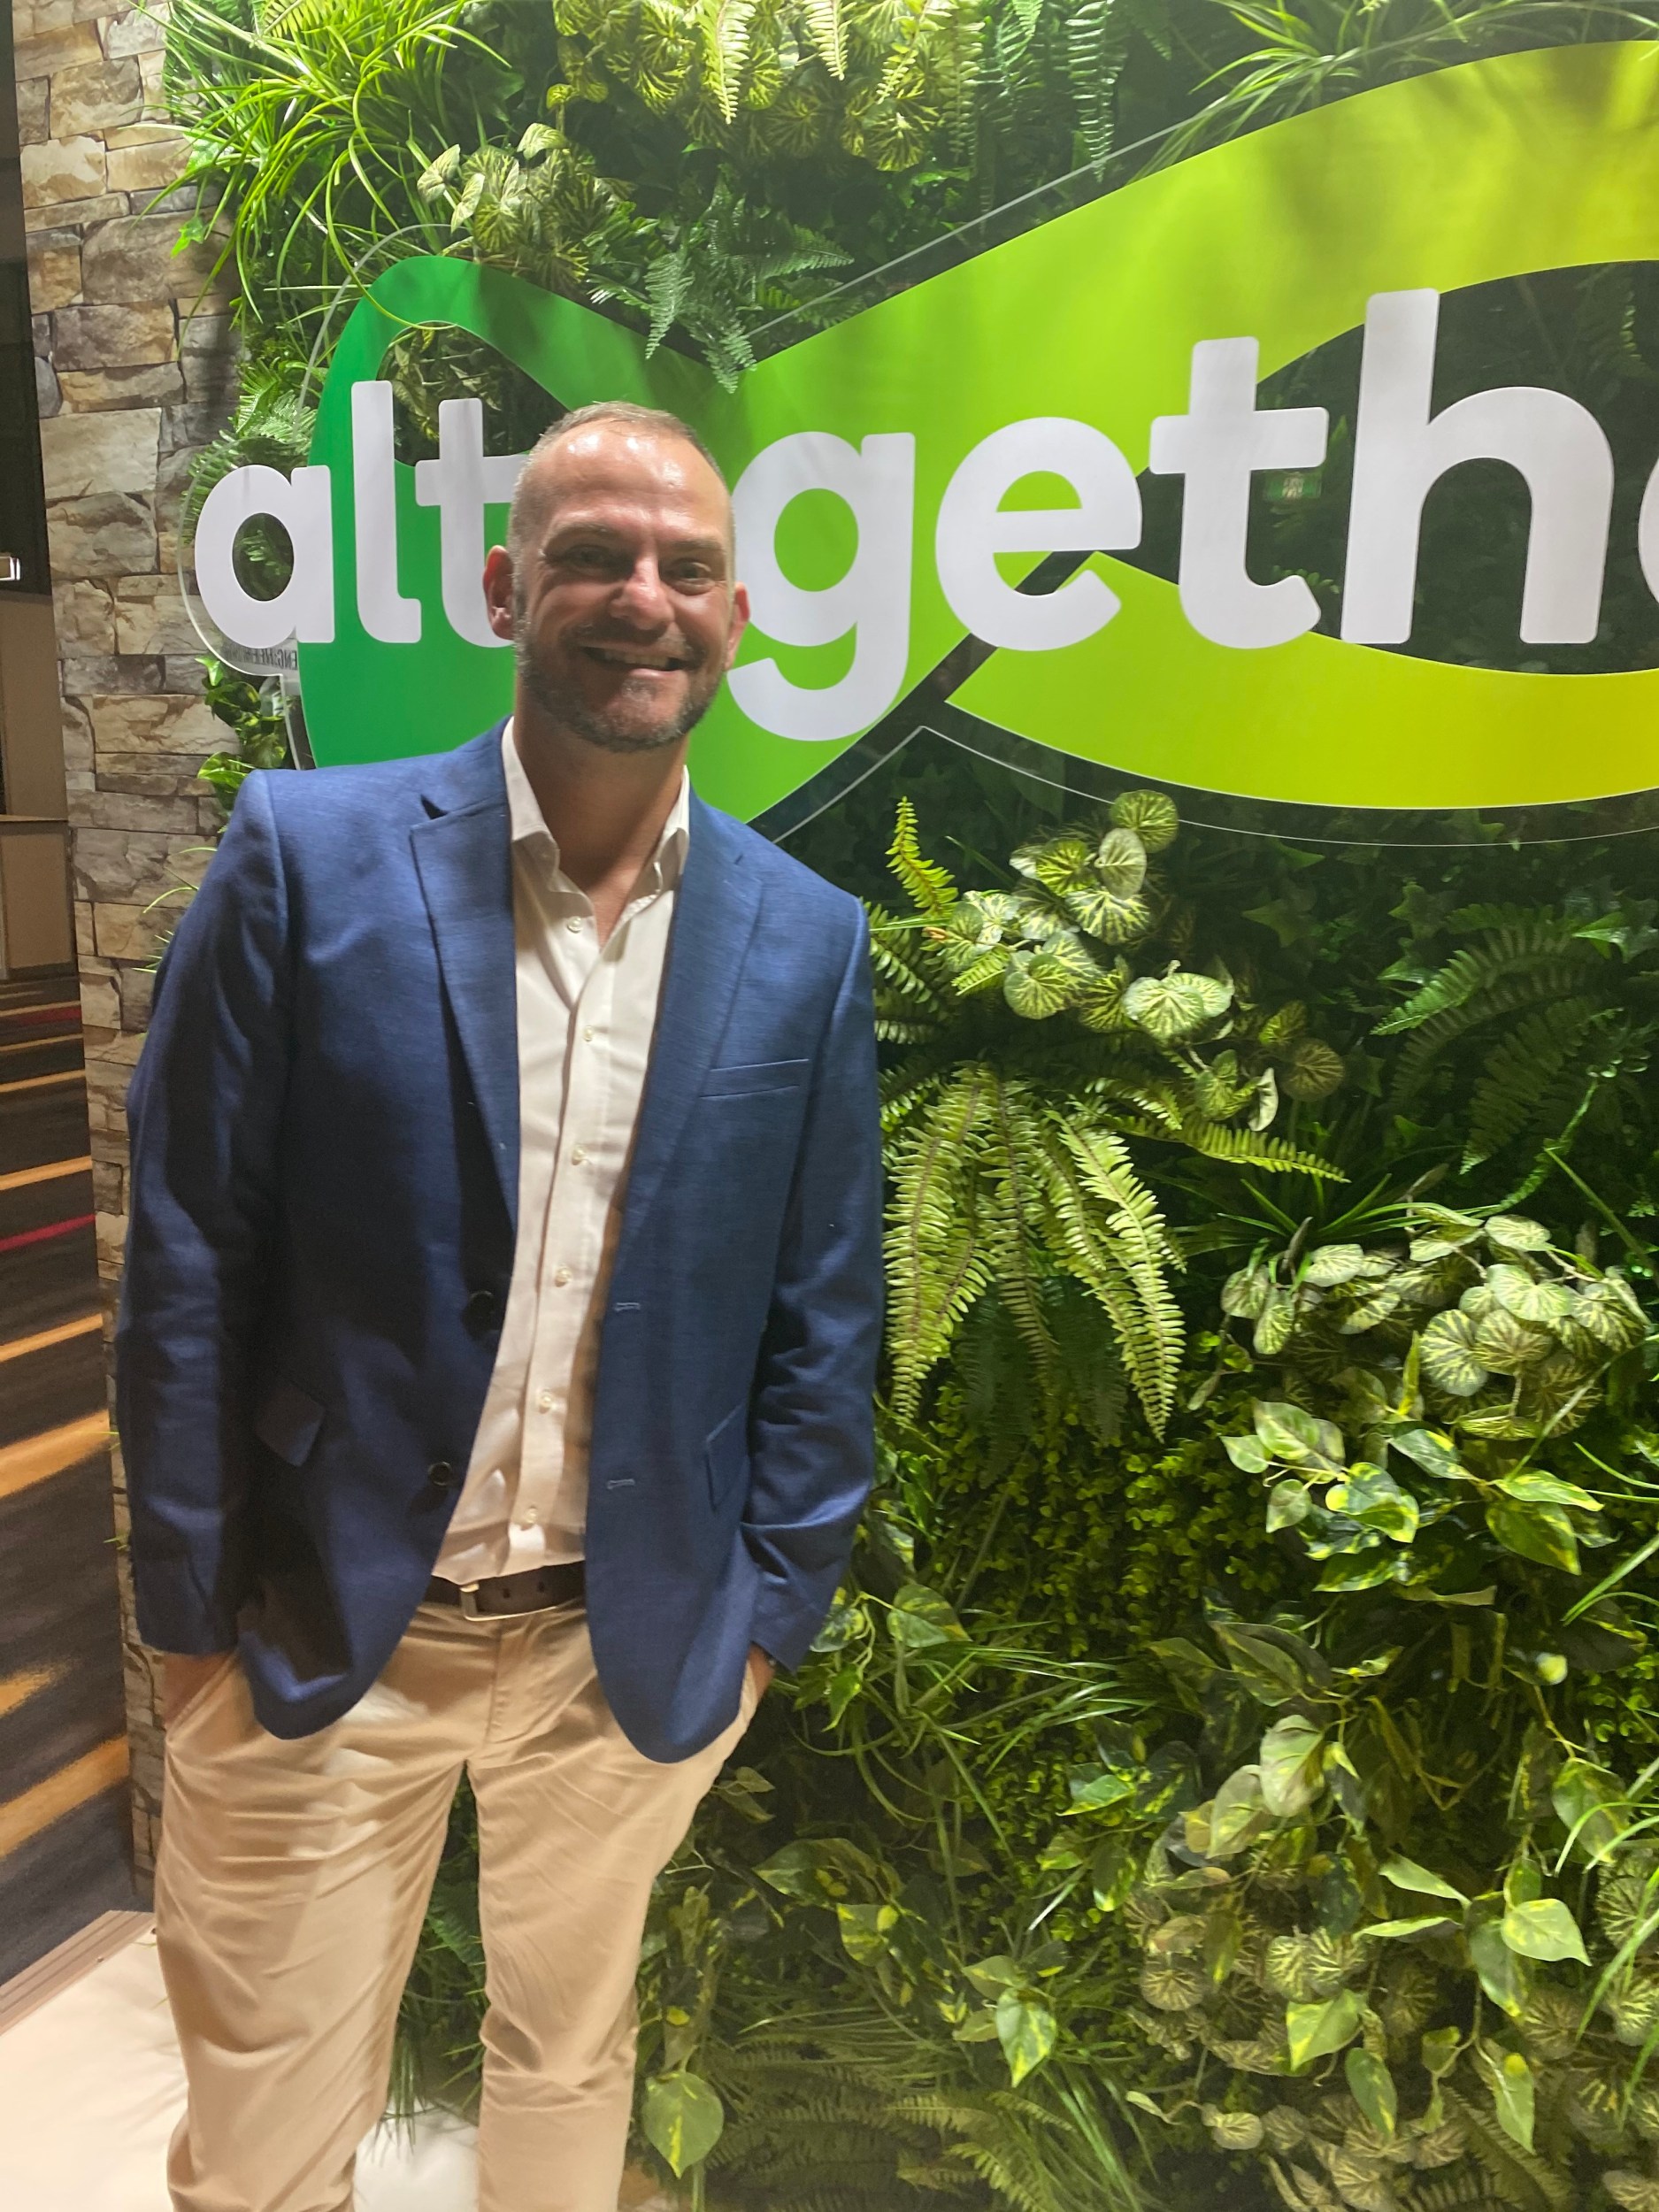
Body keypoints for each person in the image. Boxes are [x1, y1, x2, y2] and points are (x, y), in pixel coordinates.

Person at [116, 400, 883, 2212]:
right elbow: (190, 1252)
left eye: (685, 565)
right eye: (592, 556)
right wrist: (187, 1622)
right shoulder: (306, 854)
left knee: (568, 2065)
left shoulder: (804, 937)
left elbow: (824, 1311)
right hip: (317, 1629)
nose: (642, 597)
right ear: (501, 586)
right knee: (264, 2127)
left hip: (626, 1648)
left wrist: (764, 1617)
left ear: (736, 612)